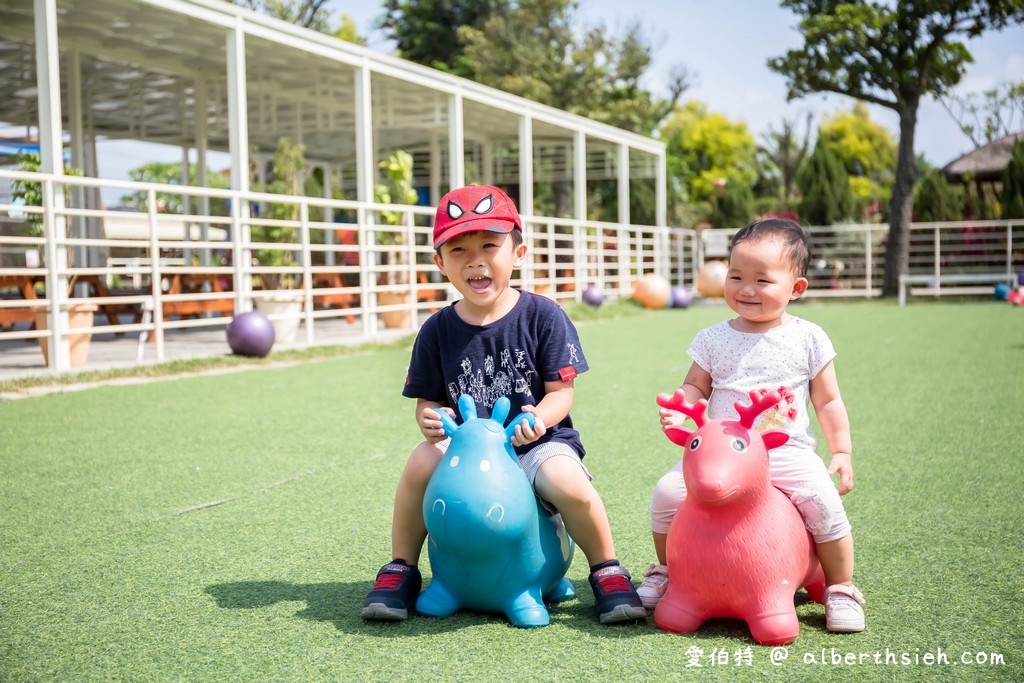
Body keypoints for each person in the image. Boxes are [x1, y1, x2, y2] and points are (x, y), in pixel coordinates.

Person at [361, 184, 646, 625]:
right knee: (420, 462)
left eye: (489, 245)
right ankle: (400, 566)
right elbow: (428, 401)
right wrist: (431, 421)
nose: (475, 259)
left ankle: (606, 568)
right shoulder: (436, 331)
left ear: (518, 252)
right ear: (440, 262)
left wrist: (539, 418)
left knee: (568, 482)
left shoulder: (543, 315)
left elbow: (561, 392)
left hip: (534, 445)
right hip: (465, 451)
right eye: (459, 249)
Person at [638, 217, 865, 633]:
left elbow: (828, 400)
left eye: (762, 280)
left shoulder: (809, 338)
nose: (745, 289)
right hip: (722, 456)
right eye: (736, 276)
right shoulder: (713, 338)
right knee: (668, 492)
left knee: (822, 501)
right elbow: (695, 385)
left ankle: (840, 587)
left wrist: (842, 451)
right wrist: (681, 406)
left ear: (795, 289)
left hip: (785, 450)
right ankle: (669, 571)